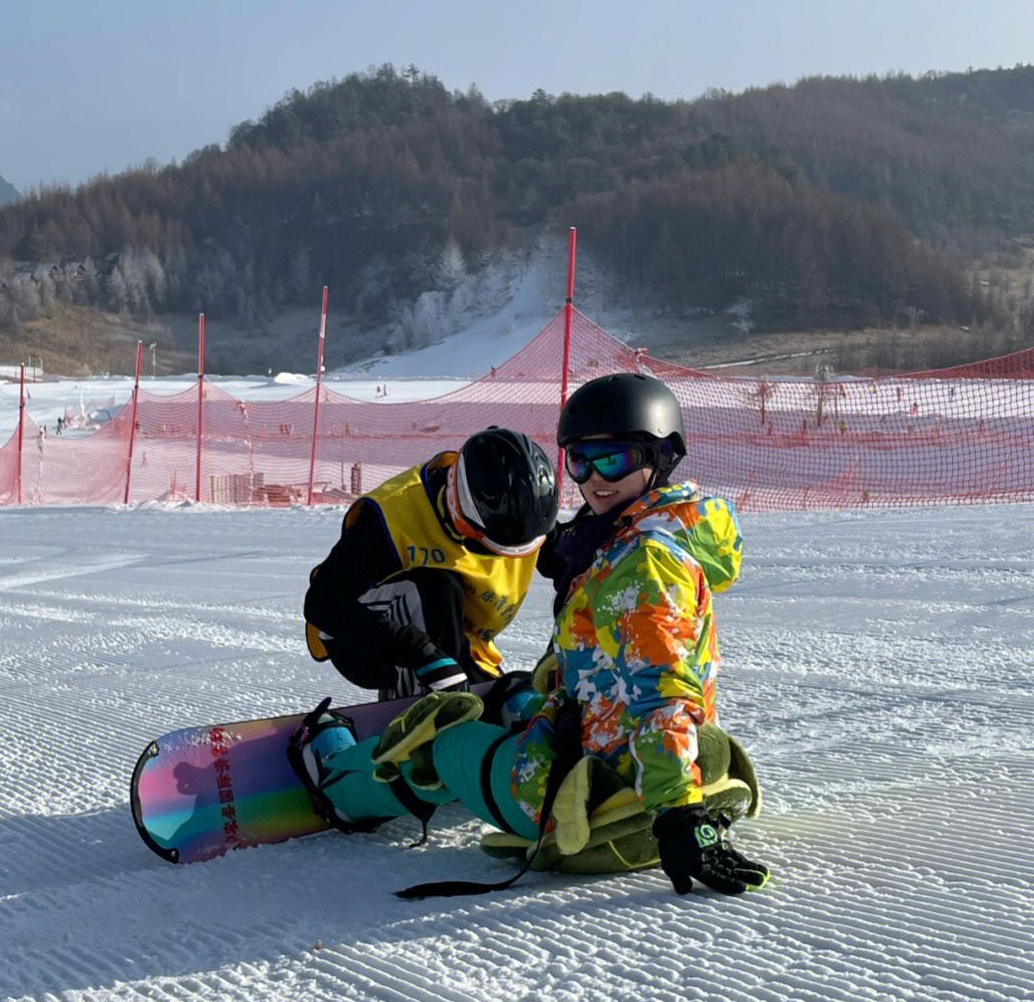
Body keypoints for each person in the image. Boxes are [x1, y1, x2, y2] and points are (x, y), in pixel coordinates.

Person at [294, 374, 770, 900]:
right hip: (616, 751)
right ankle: (499, 706)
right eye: (580, 462)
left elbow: (662, 690)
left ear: (660, 456)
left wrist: (682, 818)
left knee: (440, 738)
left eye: (611, 460)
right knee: (507, 669)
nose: (593, 480)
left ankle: (337, 781)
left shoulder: (641, 561)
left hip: (568, 787)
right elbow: (326, 603)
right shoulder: (639, 534)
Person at [302, 426, 559, 700]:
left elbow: (576, 572)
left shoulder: (527, 518)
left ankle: (455, 688)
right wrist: (415, 650)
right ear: (460, 510)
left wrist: (560, 657)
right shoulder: (389, 518)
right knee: (439, 588)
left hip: (452, 634)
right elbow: (321, 603)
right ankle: (422, 707)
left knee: (500, 692)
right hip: (360, 636)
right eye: (487, 548)